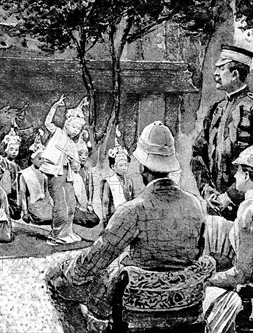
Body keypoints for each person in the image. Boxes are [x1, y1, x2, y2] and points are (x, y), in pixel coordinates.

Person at [46, 121, 208, 332]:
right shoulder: (195, 204)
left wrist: (67, 269)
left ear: (141, 167)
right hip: (186, 306)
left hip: (137, 311)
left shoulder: (133, 210)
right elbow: (198, 252)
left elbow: (97, 259)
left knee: (55, 279)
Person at [191, 45, 253, 222]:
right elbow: (197, 154)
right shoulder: (215, 109)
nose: (215, 73)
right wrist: (208, 192)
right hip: (214, 207)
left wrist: (229, 196)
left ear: (235, 74)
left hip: (247, 208)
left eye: (221, 68)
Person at [204, 145, 253, 333]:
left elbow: (242, 274)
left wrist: (207, 279)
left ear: (247, 175)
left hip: (248, 299)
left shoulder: (250, 208)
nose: (235, 177)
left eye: (237, 171)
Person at [40, 95, 86, 246]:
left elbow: (76, 166)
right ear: (67, 124)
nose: (76, 130)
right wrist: (55, 106)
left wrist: (75, 163)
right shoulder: (58, 133)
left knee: (71, 205)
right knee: (61, 206)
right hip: (56, 175)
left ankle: (68, 232)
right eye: (74, 127)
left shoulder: (73, 144)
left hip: (68, 176)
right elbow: (47, 123)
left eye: (78, 128)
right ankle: (55, 235)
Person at [18, 130, 53, 224]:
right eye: (39, 159)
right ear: (32, 159)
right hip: (33, 203)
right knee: (43, 218)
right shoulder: (25, 174)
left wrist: (51, 204)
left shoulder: (44, 174)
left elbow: (46, 192)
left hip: (44, 203)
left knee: (54, 216)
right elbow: (22, 194)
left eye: (43, 159)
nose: (41, 161)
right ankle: (31, 216)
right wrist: (24, 211)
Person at [100, 144, 136, 227]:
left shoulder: (129, 181)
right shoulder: (109, 181)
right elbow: (105, 202)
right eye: (121, 165)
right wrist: (105, 218)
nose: (124, 168)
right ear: (113, 166)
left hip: (127, 215)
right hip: (114, 215)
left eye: (126, 165)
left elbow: (132, 199)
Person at [73, 142, 100, 228]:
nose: (83, 157)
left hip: (84, 203)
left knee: (95, 219)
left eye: (86, 154)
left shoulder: (87, 170)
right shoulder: (73, 172)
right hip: (75, 204)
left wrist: (89, 203)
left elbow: (90, 187)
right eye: (80, 155)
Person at [0, 124, 22, 220]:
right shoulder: (3, 162)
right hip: (6, 189)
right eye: (11, 149)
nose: (14, 152)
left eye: (16, 150)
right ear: (6, 149)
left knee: (16, 211)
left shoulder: (16, 166)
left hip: (14, 191)